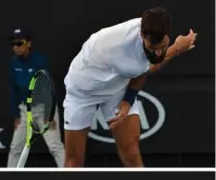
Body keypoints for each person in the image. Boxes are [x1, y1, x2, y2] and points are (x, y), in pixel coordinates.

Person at [63, 8, 197, 167]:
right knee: (74, 162)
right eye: (152, 48)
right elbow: (148, 68)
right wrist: (175, 49)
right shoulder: (115, 46)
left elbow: (142, 70)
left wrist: (128, 100)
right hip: (82, 90)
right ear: (142, 35)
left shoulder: (151, 29)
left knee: (131, 154)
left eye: (163, 46)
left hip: (117, 86)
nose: (158, 52)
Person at [7, 28, 64, 168]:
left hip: (43, 109)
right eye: (13, 44)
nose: (16, 47)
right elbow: (13, 90)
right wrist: (15, 115)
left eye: (20, 43)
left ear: (29, 44)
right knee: (15, 148)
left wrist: (48, 115)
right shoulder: (13, 63)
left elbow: (47, 86)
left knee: (55, 146)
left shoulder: (40, 60)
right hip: (25, 112)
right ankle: (8, 178)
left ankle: (70, 176)